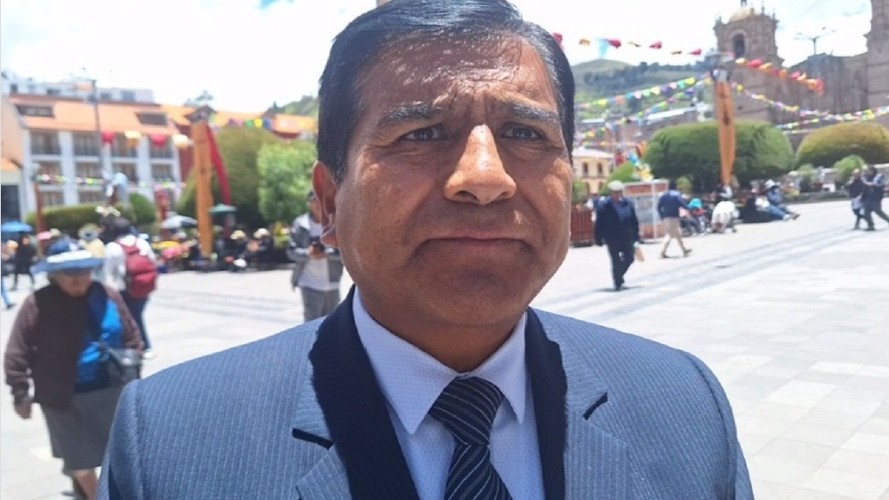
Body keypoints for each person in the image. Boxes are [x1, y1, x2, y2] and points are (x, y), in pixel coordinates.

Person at [100, 1, 752, 498]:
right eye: (421, 133)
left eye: (525, 133)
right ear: (327, 201)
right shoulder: (172, 445)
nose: (485, 177)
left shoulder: (683, 405)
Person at [4, 238, 142, 500]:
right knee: (79, 461)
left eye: (84, 271)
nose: (79, 279)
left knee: (121, 453)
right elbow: (16, 352)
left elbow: (132, 335)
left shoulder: (107, 293)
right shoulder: (37, 303)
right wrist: (20, 394)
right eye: (70, 273)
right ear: (55, 275)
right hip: (64, 397)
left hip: (113, 389)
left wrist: (136, 374)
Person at [103, 217, 156, 359]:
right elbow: (152, 260)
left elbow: (108, 272)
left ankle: (143, 347)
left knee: (131, 319)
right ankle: (142, 346)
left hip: (126, 289)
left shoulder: (112, 247)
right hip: (144, 285)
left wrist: (110, 293)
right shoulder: (142, 242)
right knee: (137, 315)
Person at [289, 190, 344, 321]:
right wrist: (308, 253)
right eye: (314, 201)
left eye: (320, 200)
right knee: (311, 323)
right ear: (308, 204)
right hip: (309, 282)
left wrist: (327, 254)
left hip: (332, 282)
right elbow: (291, 252)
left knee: (332, 323)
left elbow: (345, 251)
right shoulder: (300, 224)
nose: (318, 204)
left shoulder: (335, 222)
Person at [595, 180, 642, 290]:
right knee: (615, 260)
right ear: (610, 193)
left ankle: (619, 275)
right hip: (612, 237)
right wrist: (598, 238)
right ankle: (617, 282)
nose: (617, 194)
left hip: (627, 236)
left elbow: (634, 220)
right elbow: (599, 223)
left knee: (629, 258)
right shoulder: (604, 206)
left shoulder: (627, 203)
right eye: (614, 192)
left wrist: (636, 235)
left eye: (619, 192)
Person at [657, 180, 692, 258]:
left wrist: (661, 216)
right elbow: (682, 204)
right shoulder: (676, 195)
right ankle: (662, 252)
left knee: (678, 234)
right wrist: (688, 209)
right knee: (669, 234)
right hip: (674, 217)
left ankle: (684, 249)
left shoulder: (664, 195)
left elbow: (658, 207)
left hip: (666, 217)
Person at [862, 164, 889, 230]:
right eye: (868, 170)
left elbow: (877, 184)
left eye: (870, 170)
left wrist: (869, 184)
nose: (869, 172)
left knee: (878, 211)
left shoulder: (879, 177)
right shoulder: (866, 177)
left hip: (875, 198)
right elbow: (864, 186)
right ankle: (870, 225)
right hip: (867, 198)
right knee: (866, 212)